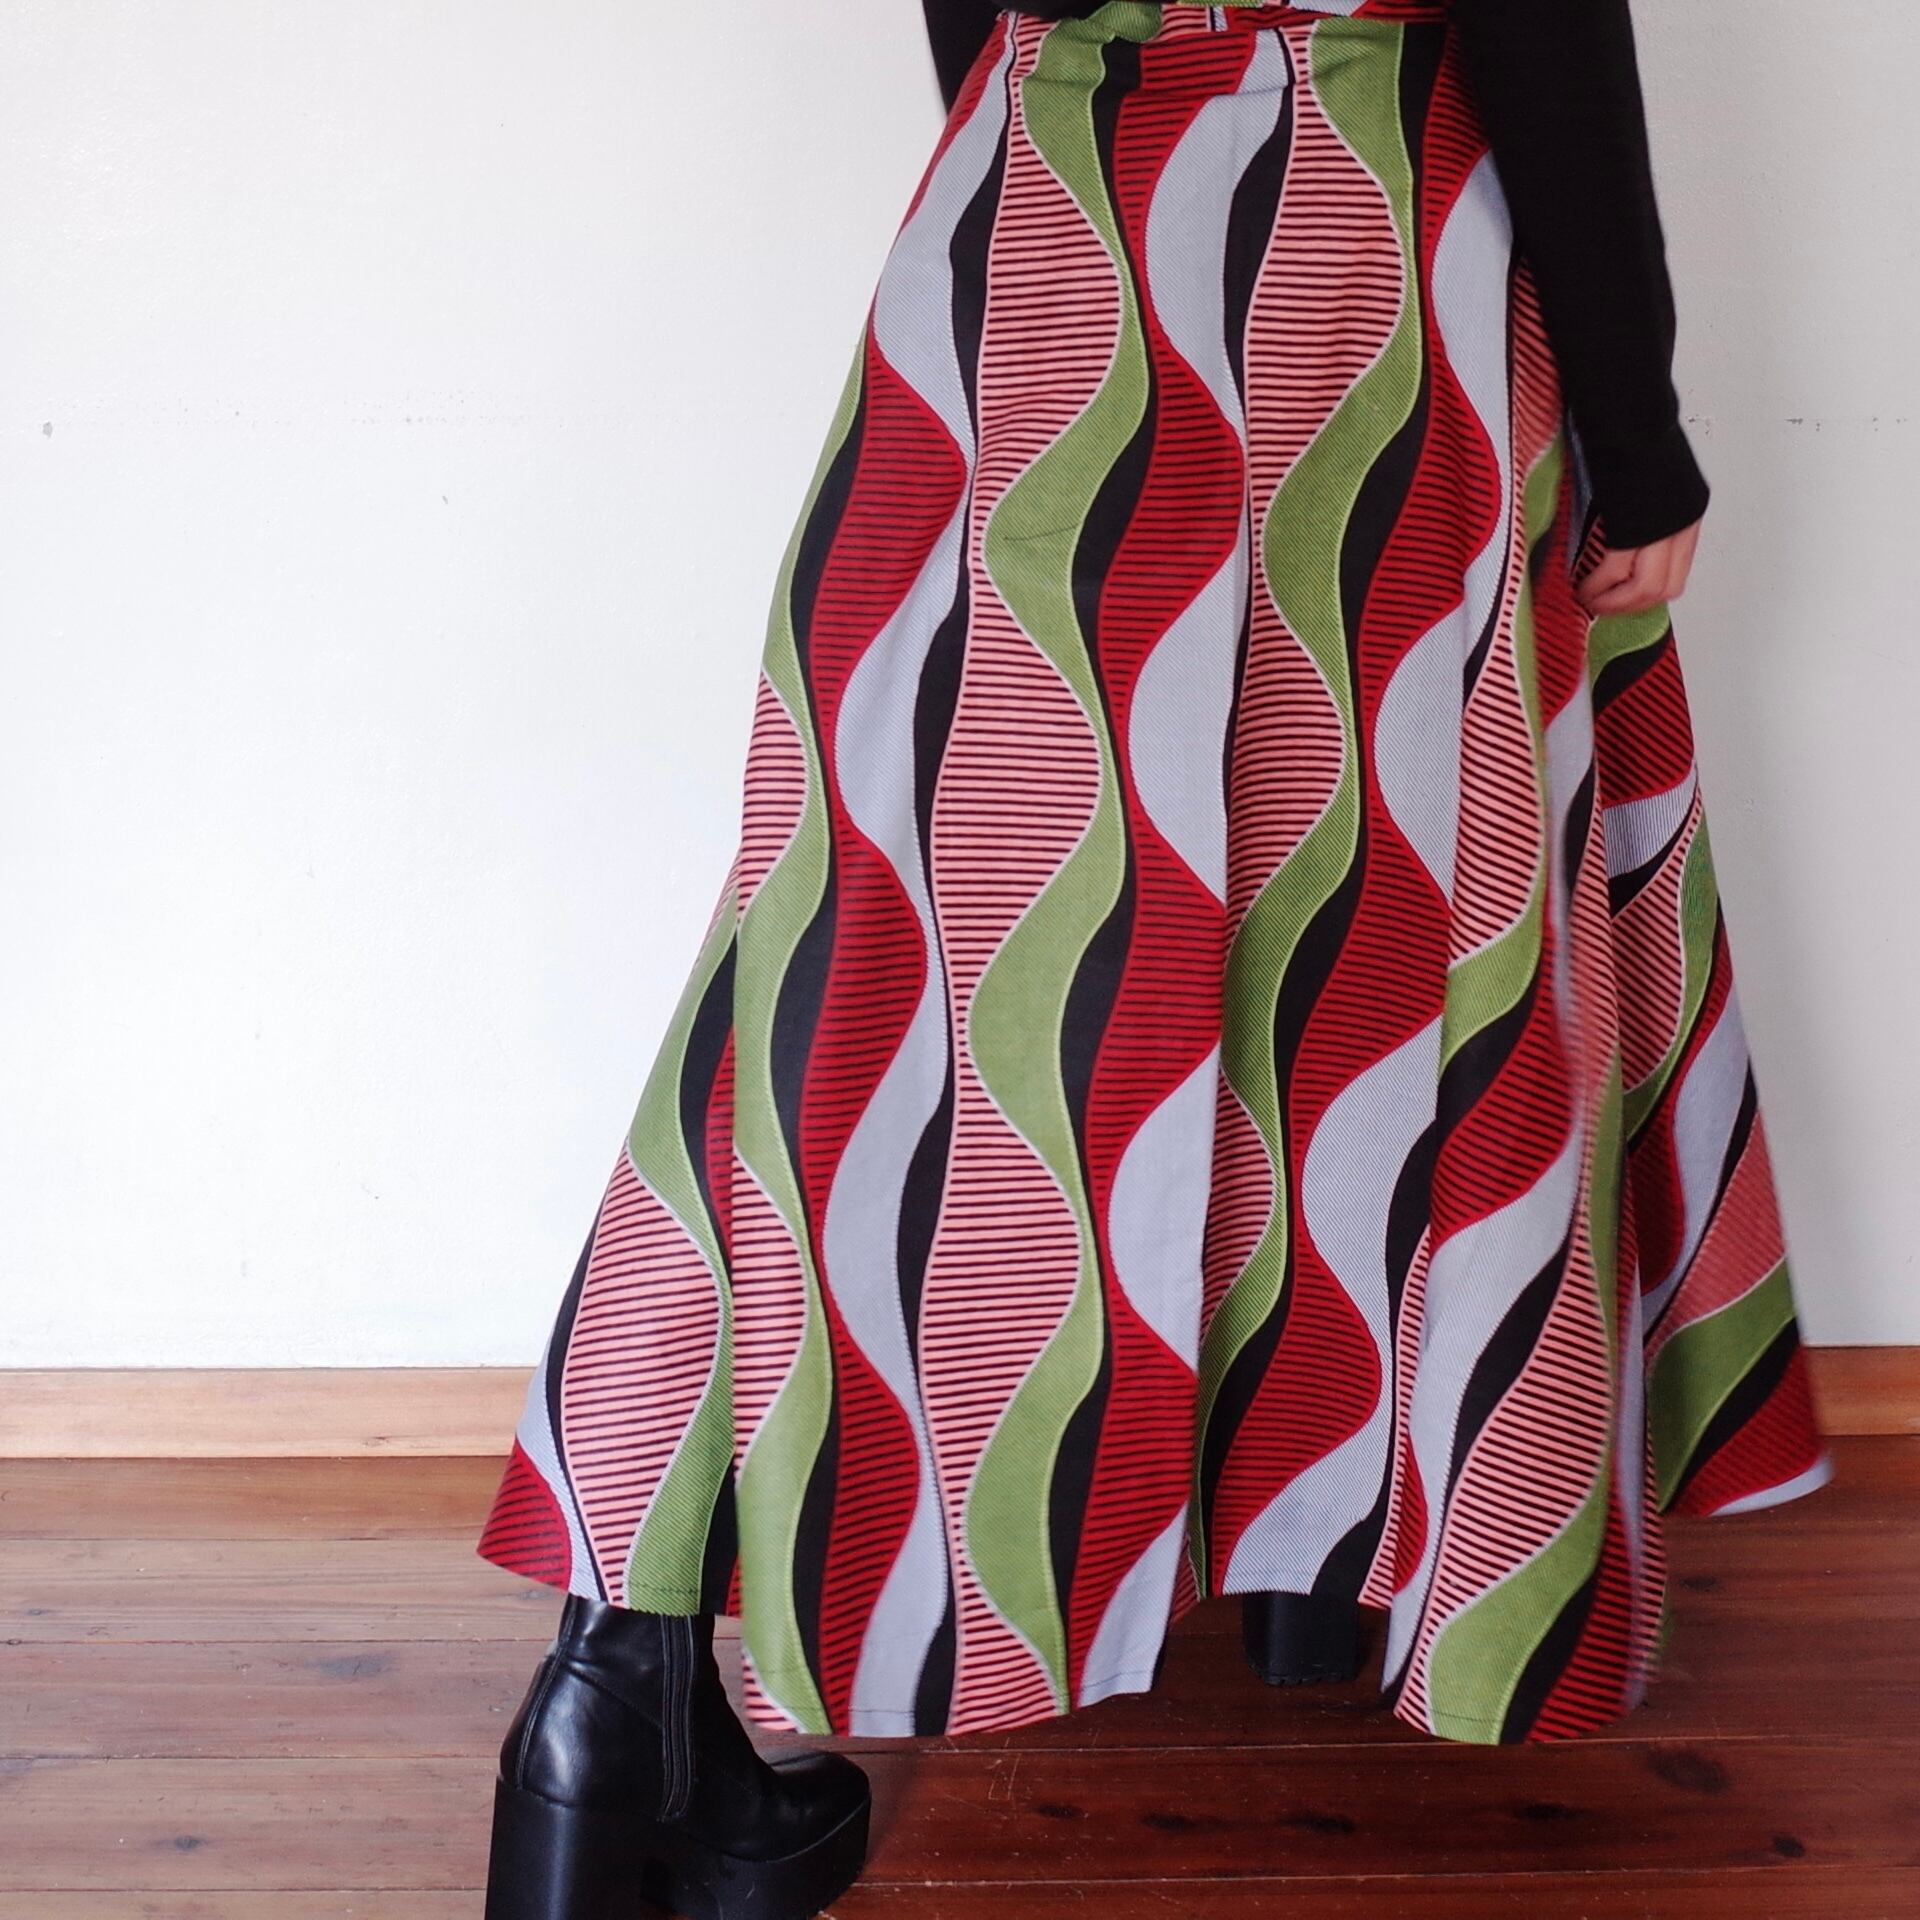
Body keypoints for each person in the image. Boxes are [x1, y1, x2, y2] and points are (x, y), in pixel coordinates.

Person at [476, 6, 1836, 1917]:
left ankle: (614, 1692)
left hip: (1042, 214)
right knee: (1380, 924)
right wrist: (1639, 429)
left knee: (890, 971)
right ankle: (1351, 1555)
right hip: (1374, 239)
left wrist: (1083, 142)